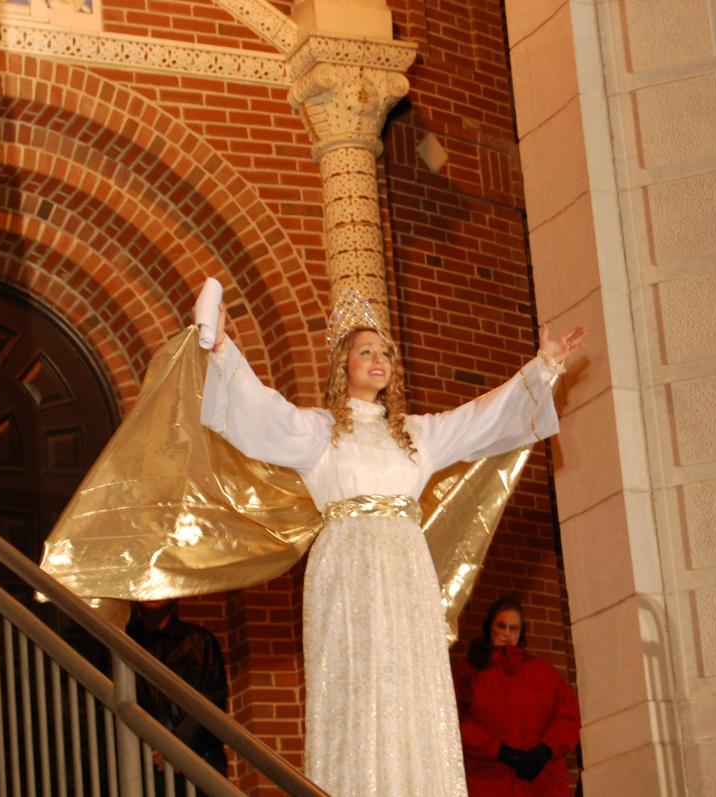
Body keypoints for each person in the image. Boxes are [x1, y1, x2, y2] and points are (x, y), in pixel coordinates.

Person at [200, 290, 585, 797]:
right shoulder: (320, 432)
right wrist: (223, 345)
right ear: (344, 365)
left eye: (385, 353)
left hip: (405, 566)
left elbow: (481, 417)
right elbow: (263, 413)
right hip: (347, 566)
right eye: (366, 351)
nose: (378, 360)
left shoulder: (416, 434)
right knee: (359, 685)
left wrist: (543, 369)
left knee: (409, 683)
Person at [453, 597, 581, 796]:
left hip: (542, 784)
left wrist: (546, 750)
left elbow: (569, 715)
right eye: (501, 626)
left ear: (521, 633)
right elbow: (456, 723)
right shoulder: (468, 674)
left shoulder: (544, 673)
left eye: (513, 628)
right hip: (491, 782)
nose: (507, 634)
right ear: (489, 628)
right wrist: (499, 751)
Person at [126, 599, 228, 795]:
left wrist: (178, 744)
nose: (153, 592)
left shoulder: (201, 641)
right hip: (142, 765)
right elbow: (112, 704)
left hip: (199, 760)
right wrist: (152, 746)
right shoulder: (122, 641)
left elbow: (213, 700)